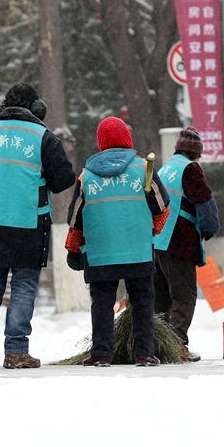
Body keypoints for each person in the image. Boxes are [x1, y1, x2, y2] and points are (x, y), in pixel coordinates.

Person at [0, 83, 75, 369]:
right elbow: (65, 179)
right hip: (29, 224)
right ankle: (16, 352)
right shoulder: (43, 138)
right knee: (23, 286)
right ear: (37, 109)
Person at [64, 116, 170, 366]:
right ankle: (144, 352)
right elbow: (162, 206)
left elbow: (75, 217)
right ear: (127, 139)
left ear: (100, 143)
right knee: (143, 300)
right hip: (138, 249)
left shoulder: (86, 176)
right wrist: (152, 229)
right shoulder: (144, 169)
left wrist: (73, 247)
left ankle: (101, 353)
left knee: (102, 302)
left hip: (100, 252)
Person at [152, 127, 220, 362]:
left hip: (157, 241)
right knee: (184, 296)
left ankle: (157, 344)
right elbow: (204, 200)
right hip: (179, 240)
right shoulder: (190, 169)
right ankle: (176, 344)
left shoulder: (166, 167)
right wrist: (210, 227)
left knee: (161, 298)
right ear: (196, 153)